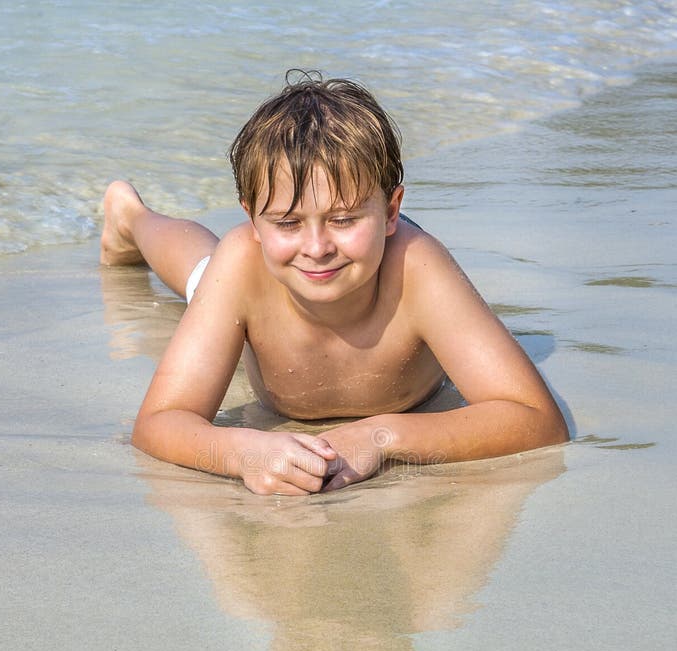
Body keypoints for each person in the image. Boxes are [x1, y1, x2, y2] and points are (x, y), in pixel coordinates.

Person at [100, 71, 568, 495]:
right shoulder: (244, 261)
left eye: (343, 219)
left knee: (211, 272)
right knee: (203, 272)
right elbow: (158, 424)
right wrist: (241, 453)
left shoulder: (415, 268)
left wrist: (382, 437)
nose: (318, 246)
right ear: (252, 220)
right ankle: (132, 218)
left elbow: (537, 420)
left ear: (389, 211)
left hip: (352, 266)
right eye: (286, 223)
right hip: (244, 271)